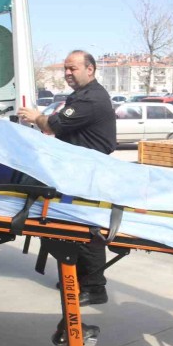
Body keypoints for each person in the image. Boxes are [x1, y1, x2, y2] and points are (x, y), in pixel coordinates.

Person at [17, 50, 116, 306]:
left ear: (90, 69)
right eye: (66, 69)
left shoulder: (91, 99)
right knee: (67, 227)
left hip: (87, 174)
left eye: (73, 68)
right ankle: (78, 277)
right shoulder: (81, 95)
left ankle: (94, 287)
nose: (68, 73)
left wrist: (36, 117)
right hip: (74, 172)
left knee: (86, 229)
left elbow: (54, 125)